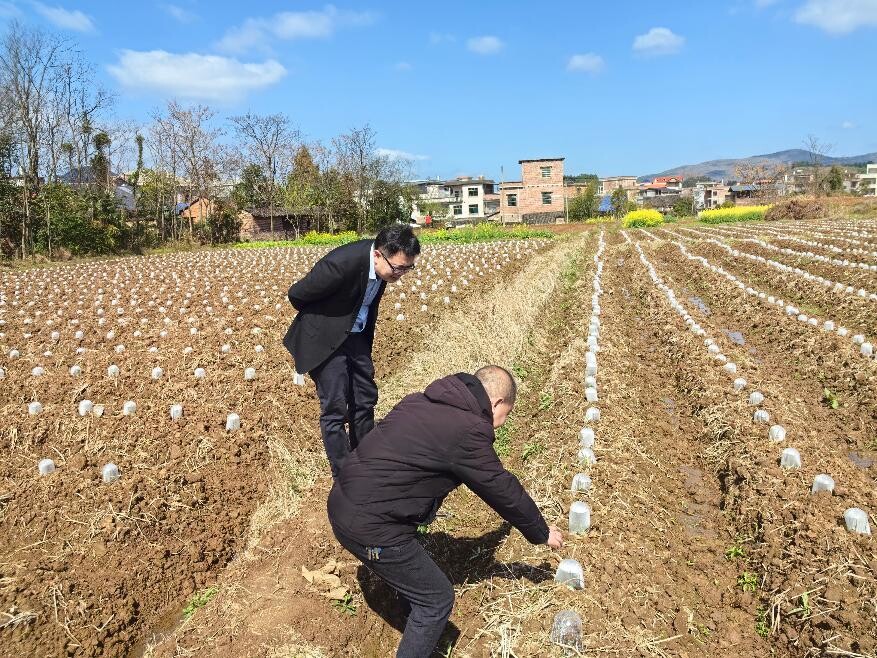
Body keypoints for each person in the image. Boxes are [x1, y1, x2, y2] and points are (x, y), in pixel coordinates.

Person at [327, 365, 564, 658]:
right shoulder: (468, 430)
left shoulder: (421, 402)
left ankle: (407, 615)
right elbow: (501, 487)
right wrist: (542, 532)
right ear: (497, 403)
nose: (500, 424)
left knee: (414, 575)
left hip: (342, 501)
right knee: (436, 599)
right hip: (369, 526)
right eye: (506, 415)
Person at [283, 224, 420, 476]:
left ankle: (366, 461)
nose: (401, 274)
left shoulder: (383, 268)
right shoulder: (341, 263)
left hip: (355, 336)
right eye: (398, 268)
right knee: (335, 407)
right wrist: (331, 320)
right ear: (378, 255)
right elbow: (297, 295)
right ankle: (345, 476)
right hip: (324, 340)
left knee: (364, 398)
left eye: (407, 268)